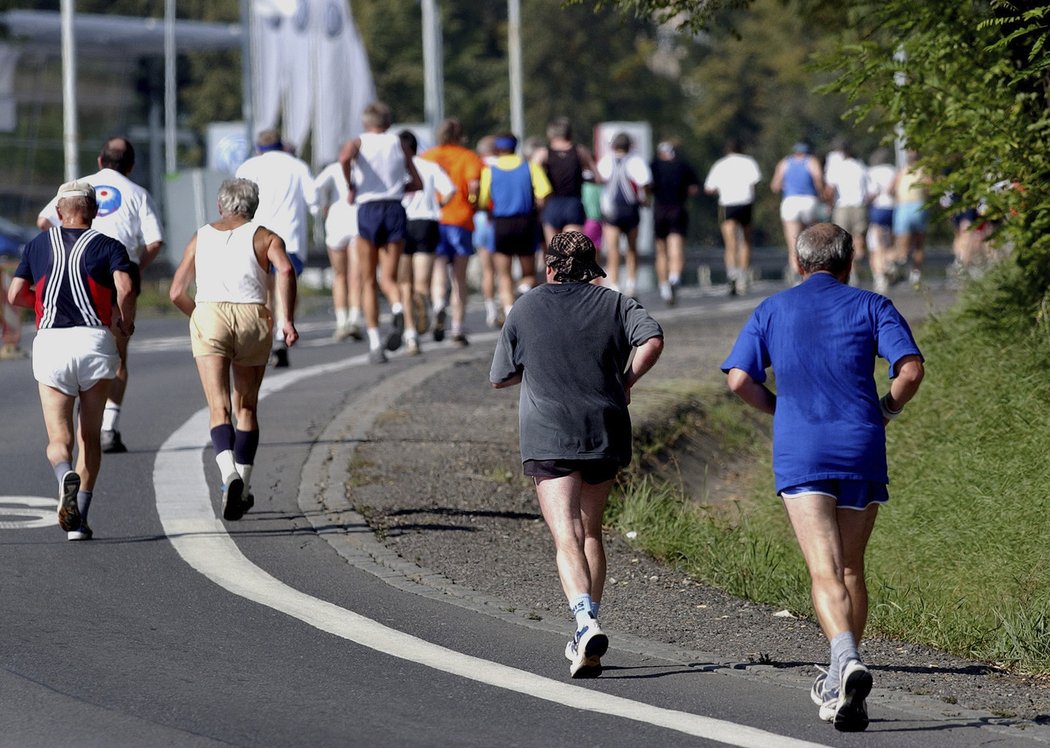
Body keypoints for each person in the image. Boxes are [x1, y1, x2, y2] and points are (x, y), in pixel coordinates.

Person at [721, 222, 924, 732]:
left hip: (802, 448)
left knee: (824, 570)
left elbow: (740, 379)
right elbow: (911, 370)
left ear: (798, 263)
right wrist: (885, 410)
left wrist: (778, 408)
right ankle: (841, 680)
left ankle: (844, 664)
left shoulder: (771, 309)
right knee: (851, 568)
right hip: (860, 445)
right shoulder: (873, 306)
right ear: (849, 262)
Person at [489, 230, 664, 679]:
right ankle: (589, 635)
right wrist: (626, 381)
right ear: (593, 269)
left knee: (565, 533)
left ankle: (585, 623)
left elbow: (501, 377)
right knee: (591, 531)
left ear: (549, 268)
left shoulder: (526, 306)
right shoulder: (616, 303)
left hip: (549, 434)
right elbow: (653, 340)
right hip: (604, 429)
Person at [13, 180, 137, 540]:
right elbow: (126, 287)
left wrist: (38, 306)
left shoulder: (37, 245)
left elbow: (15, 293)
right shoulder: (109, 245)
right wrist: (125, 322)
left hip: (51, 342)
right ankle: (78, 519)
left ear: (57, 212)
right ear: (94, 211)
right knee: (90, 436)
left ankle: (63, 472)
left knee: (58, 438)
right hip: (95, 341)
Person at [169, 178, 299, 520]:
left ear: (220, 206)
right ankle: (244, 481)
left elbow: (175, 292)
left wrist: (199, 316)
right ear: (253, 207)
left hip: (210, 313)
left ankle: (228, 475)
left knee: (219, 407)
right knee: (247, 408)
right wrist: (286, 320)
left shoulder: (200, 236)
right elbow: (285, 269)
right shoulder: (266, 237)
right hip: (252, 315)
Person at [37, 136, 163, 453]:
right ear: (131, 166)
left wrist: (60, 251)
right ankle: (108, 427)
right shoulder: (138, 193)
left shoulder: (77, 188)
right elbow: (155, 241)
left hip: (76, 267)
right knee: (117, 353)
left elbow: (43, 221)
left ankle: (67, 425)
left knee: (73, 333)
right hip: (120, 272)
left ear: (99, 160)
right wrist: (135, 269)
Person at [338, 102, 422, 364]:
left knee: (367, 280)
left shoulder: (359, 142)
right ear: (388, 122)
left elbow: (344, 157)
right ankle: (397, 306)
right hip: (395, 208)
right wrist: (396, 188)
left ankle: (375, 343)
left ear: (366, 123)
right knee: (390, 276)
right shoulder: (400, 143)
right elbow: (417, 182)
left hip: (368, 208)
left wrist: (351, 183)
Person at [235, 130, 316, 367]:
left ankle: (269, 338)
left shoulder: (247, 167)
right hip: (290, 238)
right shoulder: (298, 167)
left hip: (256, 237)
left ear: (258, 148)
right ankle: (283, 333)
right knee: (286, 286)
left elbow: (237, 205)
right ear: (281, 145)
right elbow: (313, 201)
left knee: (265, 291)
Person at [422, 118, 484, 346]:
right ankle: (457, 327)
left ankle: (439, 305)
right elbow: (475, 187)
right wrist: (474, 204)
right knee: (459, 277)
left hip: (435, 219)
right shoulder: (468, 157)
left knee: (439, 272)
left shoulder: (427, 156)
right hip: (460, 219)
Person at [478, 133, 552, 320]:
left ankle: (509, 310)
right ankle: (524, 291)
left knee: (504, 274)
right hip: (525, 222)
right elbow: (544, 193)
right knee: (528, 272)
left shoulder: (490, 171)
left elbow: (483, 201)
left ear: (498, 149)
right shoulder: (530, 167)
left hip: (501, 223)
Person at [400, 129, 456, 355]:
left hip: (401, 223)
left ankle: (411, 335)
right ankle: (423, 300)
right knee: (422, 281)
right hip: (427, 222)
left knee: (404, 282)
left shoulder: (395, 167)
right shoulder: (430, 166)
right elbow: (450, 190)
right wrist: (439, 207)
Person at [703, 139, 761, 297]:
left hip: (727, 204)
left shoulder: (720, 165)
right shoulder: (749, 162)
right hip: (745, 202)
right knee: (746, 241)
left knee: (730, 242)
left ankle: (732, 274)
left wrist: (721, 189)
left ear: (726, 151)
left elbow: (709, 188)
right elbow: (755, 182)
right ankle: (743, 276)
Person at [597, 133, 652, 297]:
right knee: (632, 248)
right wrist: (646, 199)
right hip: (631, 209)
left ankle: (614, 284)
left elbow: (599, 179)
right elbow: (646, 182)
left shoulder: (606, 161)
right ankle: (631, 283)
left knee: (613, 249)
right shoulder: (636, 161)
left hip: (611, 211)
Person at [314, 159, 362, 341]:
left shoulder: (333, 168)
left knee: (340, 275)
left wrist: (322, 205)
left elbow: (315, 187)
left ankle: (342, 322)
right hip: (357, 221)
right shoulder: (363, 168)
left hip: (336, 222)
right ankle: (354, 320)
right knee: (355, 276)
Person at [531, 117, 599, 245]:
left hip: (552, 205)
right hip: (573, 204)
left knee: (555, 254)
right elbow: (597, 177)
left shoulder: (543, 154)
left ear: (550, 134)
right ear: (569, 133)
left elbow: (530, 176)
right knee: (571, 253)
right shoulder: (580, 151)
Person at [649, 140, 700, 305]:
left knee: (661, 251)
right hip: (677, 210)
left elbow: (646, 185)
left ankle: (664, 287)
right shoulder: (683, 167)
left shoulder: (653, 167)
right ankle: (674, 278)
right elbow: (694, 189)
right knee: (676, 248)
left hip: (659, 211)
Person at [770, 142, 824, 282]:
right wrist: (821, 193)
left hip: (791, 201)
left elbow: (775, 185)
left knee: (793, 241)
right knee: (811, 240)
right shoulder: (811, 161)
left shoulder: (785, 163)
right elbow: (818, 179)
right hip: (809, 201)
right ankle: (812, 272)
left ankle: (796, 272)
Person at [823, 142, 869, 286]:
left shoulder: (837, 167)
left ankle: (851, 272)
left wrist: (829, 204)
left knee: (843, 243)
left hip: (842, 206)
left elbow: (830, 189)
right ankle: (859, 260)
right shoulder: (860, 166)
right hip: (859, 205)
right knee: (858, 238)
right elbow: (870, 189)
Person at [892, 150, 931, 288]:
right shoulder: (923, 172)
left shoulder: (902, 172)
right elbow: (930, 188)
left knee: (902, 244)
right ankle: (915, 273)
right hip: (919, 206)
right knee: (918, 244)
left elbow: (891, 189)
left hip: (903, 207)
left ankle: (900, 269)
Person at [473, 135, 500, 328]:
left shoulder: (477, 165)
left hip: (480, 218)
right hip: (500, 218)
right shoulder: (503, 164)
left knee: (487, 269)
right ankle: (507, 305)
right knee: (503, 269)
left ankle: (491, 310)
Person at [864, 148, 897, 294]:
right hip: (893, 207)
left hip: (878, 208)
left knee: (877, 243)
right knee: (889, 240)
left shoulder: (871, 172)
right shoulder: (893, 170)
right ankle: (889, 262)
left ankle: (880, 274)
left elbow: (872, 192)